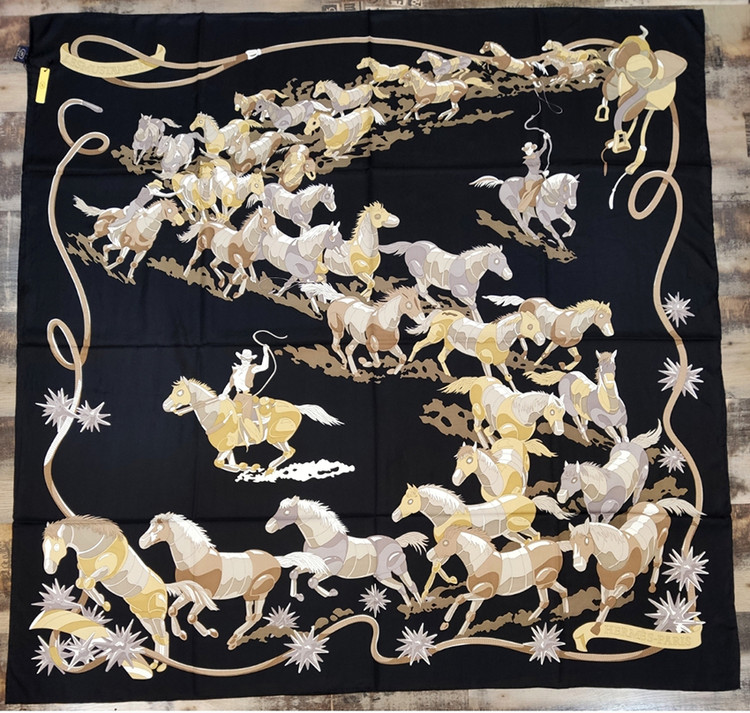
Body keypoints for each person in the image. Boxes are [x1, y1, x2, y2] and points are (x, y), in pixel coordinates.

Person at [220, 344, 272, 444]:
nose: (245, 361)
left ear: (250, 360)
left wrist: (265, 352)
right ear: (241, 358)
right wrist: (223, 393)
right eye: (244, 359)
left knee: (245, 418)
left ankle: (255, 436)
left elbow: (264, 366)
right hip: (237, 396)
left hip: (246, 397)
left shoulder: (252, 368)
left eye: (248, 359)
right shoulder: (236, 370)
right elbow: (230, 384)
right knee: (229, 414)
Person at [518, 132, 551, 213]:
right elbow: (533, 170)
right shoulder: (527, 160)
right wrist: (542, 173)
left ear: (532, 149)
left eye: (528, 149)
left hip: (538, 175)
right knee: (530, 191)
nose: (527, 152)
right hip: (530, 177)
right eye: (526, 150)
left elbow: (544, 148)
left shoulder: (537, 154)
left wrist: (545, 139)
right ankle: (523, 205)